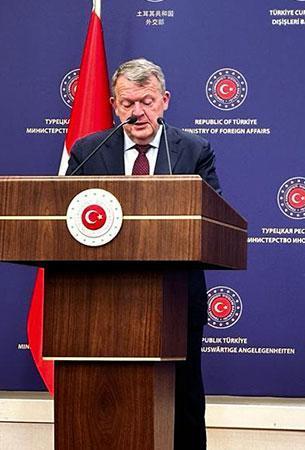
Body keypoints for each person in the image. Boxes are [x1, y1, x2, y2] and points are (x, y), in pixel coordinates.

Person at [66, 58, 218, 449]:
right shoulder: (89, 150)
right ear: (114, 105)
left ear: (164, 100)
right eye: (128, 103)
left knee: (183, 397)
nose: (138, 112)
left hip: (175, 296)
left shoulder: (194, 150)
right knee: (105, 398)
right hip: (102, 300)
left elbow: (212, 219)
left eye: (147, 102)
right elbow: (64, 216)